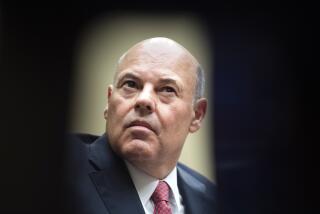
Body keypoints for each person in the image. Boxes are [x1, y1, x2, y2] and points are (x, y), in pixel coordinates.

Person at [65, 37, 217, 214]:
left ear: (197, 115)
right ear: (109, 100)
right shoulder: (62, 166)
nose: (143, 99)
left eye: (167, 89)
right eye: (130, 84)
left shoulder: (212, 200)